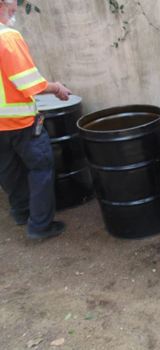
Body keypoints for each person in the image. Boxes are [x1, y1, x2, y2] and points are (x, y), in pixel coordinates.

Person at [0, 0, 71, 239]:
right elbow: (29, 82)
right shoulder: (7, 37)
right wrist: (56, 87)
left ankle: (21, 213)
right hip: (19, 122)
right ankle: (40, 226)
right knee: (41, 167)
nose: (16, 8)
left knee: (9, 170)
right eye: (12, 3)